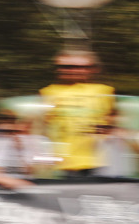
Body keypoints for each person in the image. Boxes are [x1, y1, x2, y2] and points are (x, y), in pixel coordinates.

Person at [40, 48, 115, 176]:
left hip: (99, 161)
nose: (72, 70)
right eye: (65, 67)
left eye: (79, 67)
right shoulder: (47, 93)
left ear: (92, 69)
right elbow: (40, 128)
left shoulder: (105, 91)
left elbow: (115, 122)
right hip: (62, 162)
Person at [0, 111, 51, 190]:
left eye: (10, 121)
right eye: (3, 121)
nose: (6, 125)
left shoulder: (27, 142)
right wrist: (5, 180)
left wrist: (19, 150)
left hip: (23, 187)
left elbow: (33, 170)